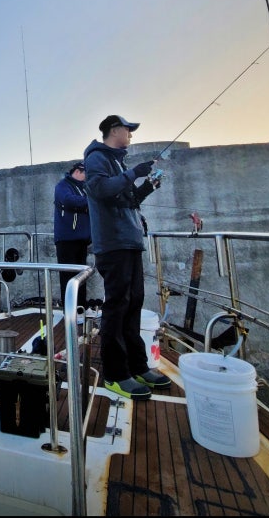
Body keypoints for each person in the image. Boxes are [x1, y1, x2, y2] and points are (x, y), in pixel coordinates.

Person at [84, 114, 170, 401]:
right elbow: (98, 189)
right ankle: (116, 374)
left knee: (133, 304)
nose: (131, 135)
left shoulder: (118, 163)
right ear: (113, 130)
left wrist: (147, 185)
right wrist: (133, 173)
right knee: (117, 307)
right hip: (113, 244)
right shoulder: (97, 158)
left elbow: (128, 200)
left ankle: (137, 367)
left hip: (130, 242)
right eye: (128, 130)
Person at [54, 162, 91, 312]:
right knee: (68, 277)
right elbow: (69, 201)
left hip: (81, 240)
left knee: (81, 277)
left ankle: (80, 309)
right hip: (66, 240)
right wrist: (92, 201)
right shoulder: (63, 185)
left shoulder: (83, 189)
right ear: (77, 171)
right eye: (86, 173)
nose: (87, 177)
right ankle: (69, 311)